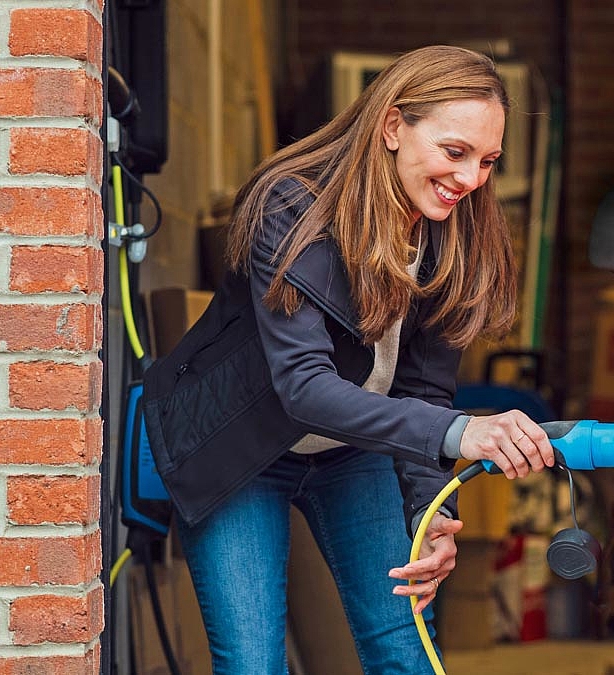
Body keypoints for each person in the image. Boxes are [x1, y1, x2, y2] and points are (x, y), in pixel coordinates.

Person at [140, 45, 555, 675]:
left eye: (488, 161)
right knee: (252, 665)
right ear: (393, 126)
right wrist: (463, 435)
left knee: (404, 652)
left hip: (350, 452)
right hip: (240, 451)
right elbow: (304, 387)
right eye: (455, 152)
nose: (471, 180)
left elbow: (424, 392)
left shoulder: (453, 234)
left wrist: (431, 512)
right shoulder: (291, 208)